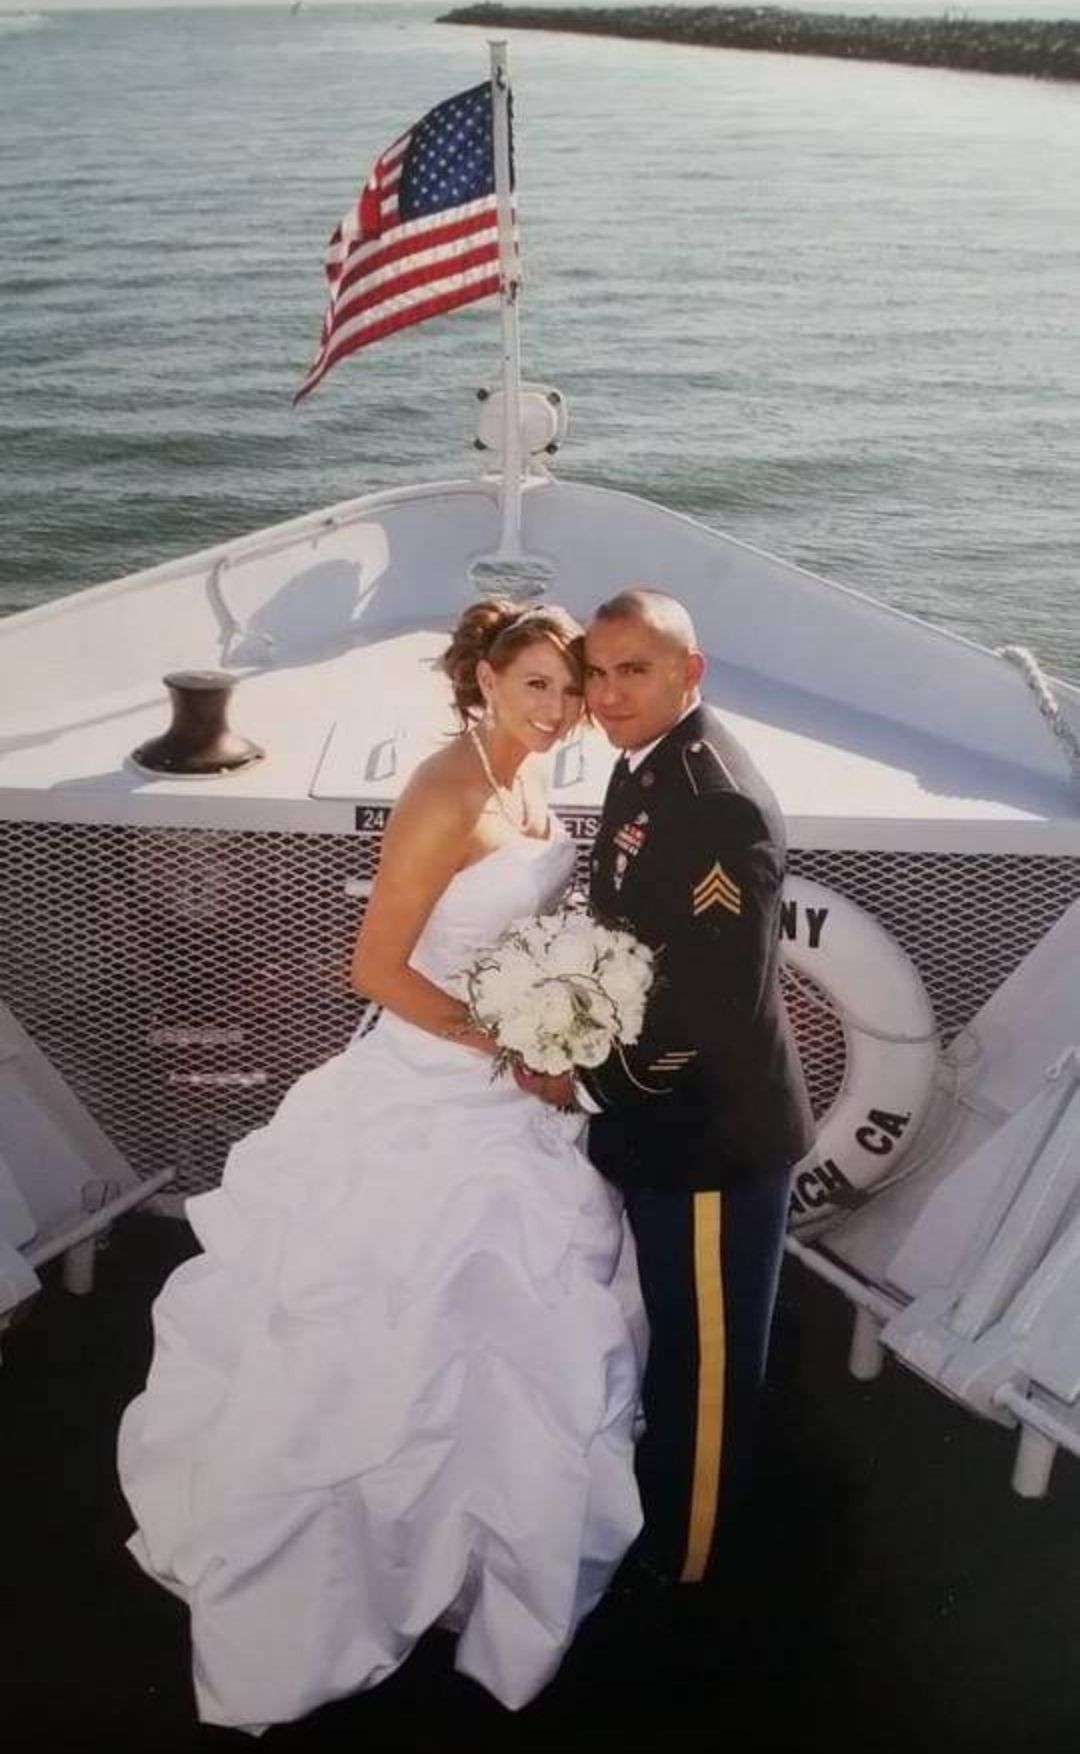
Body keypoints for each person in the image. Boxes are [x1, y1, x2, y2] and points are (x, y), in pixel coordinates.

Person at [117, 599, 644, 1729]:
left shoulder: (532, 781)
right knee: (379, 1345)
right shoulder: (449, 788)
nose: (559, 710)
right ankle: (329, 1593)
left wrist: (553, 1016)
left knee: (512, 1340)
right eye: (538, 686)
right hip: (425, 1090)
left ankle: (468, 1559)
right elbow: (376, 967)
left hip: (510, 1101)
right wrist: (510, 1038)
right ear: (486, 682)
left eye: (571, 687)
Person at [519, 587, 813, 1589]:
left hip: (709, 1141)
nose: (606, 693)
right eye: (594, 673)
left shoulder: (714, 799)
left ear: (692, 671)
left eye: (631, 670)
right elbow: (630, 941)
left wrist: (582, 1077)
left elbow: (710, 1010)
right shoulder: (644, 772)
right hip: (664, 1131)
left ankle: (690, 1582)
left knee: (706, 1375)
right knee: (678, 1350)